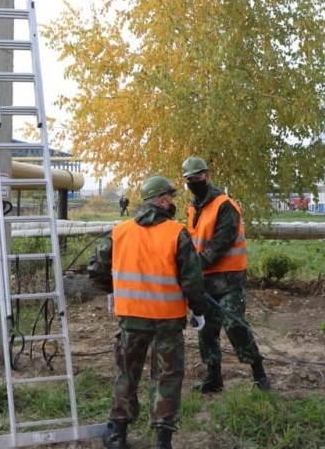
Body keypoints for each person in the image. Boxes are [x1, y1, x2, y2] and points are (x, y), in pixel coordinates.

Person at [88, 175, 206, 449]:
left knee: (127, 373)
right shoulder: (177, 233)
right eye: (172, 198)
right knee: (166, 377)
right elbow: (193, 280)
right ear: (162, 200)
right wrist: (198, 311)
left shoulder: (120, 232)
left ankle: (117, 435)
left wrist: (112, 291)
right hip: (168, 319)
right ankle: (163, 442)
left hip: (131, 318)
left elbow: (95, 269)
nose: (173, 203)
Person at [181, 156, 271, 393]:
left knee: (235, 325)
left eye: (197, 177)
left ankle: (259, 374)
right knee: (206, 330)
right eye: (189, 179)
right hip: (205, 282)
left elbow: (220, 243)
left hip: (229, 280)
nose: (193, 182)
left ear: (207, 176)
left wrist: (193, 266)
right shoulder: (192, 207)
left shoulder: (225, 205)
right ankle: (214, 378)